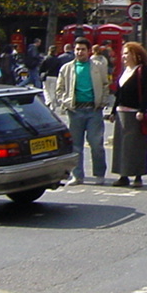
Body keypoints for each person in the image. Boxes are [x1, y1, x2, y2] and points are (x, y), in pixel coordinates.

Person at [55, 37, 111, 184]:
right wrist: (64, 102)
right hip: (75, 111)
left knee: (96, 144)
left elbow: (106, 84)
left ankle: (99, 174)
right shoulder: (67, 68)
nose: (80, 52)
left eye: (83, 49)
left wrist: (103, 101)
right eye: (77, 49)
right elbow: (59, 88)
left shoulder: (97, 66)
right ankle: (77, 175)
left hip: (93, 110)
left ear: (88, 51)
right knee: (76, 146)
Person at [110, 41, 147, 187]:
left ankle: (137, 175)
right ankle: (123, 175)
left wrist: (142, 110)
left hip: (135, 114)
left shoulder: (142, 71)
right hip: (121, 113)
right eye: (123, 53)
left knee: (136, 146)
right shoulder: (125, 71)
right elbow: (119, 94)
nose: (123, 56)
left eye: (127, 53)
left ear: (136, 54)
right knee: (121, 145)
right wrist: (112, 111)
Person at [39, 44, 65, 113]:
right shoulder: (58, 60)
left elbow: (41, 68)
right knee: (53, 91)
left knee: (46, 90)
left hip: (46, 76)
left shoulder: (46, 58)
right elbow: (59, 69)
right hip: (55, 77)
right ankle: (53, 106)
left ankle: (48, 101)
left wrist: (41, 74)